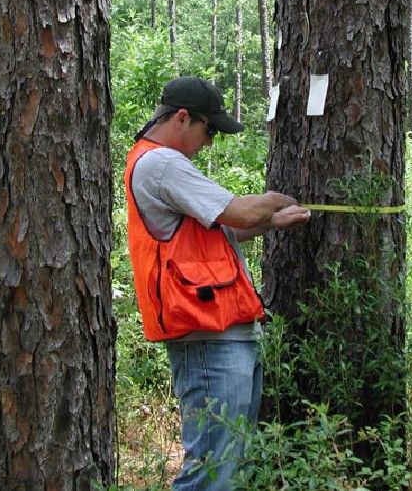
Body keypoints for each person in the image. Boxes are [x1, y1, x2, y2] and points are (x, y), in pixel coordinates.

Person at [124, 76, 310, 490]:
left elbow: (219, 232)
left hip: (223, 331)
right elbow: (238, 212)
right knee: (211, 469)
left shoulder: (160, 163)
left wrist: (271, 221)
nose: (209, 142)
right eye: (209, 131)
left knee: (227, 464)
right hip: (207, 336)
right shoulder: (161, 163)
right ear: (182, 118)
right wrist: (276, 200)